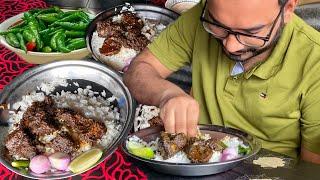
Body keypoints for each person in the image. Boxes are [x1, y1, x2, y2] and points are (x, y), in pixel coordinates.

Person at [123, 0, 320, 164]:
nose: (231, 46)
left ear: (287, 10)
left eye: (250, 33)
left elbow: (310, 170)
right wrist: (166, 94)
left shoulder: (315, 64)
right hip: (194, 161)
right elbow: (139, 70)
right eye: (218, 26)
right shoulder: (202, 15)